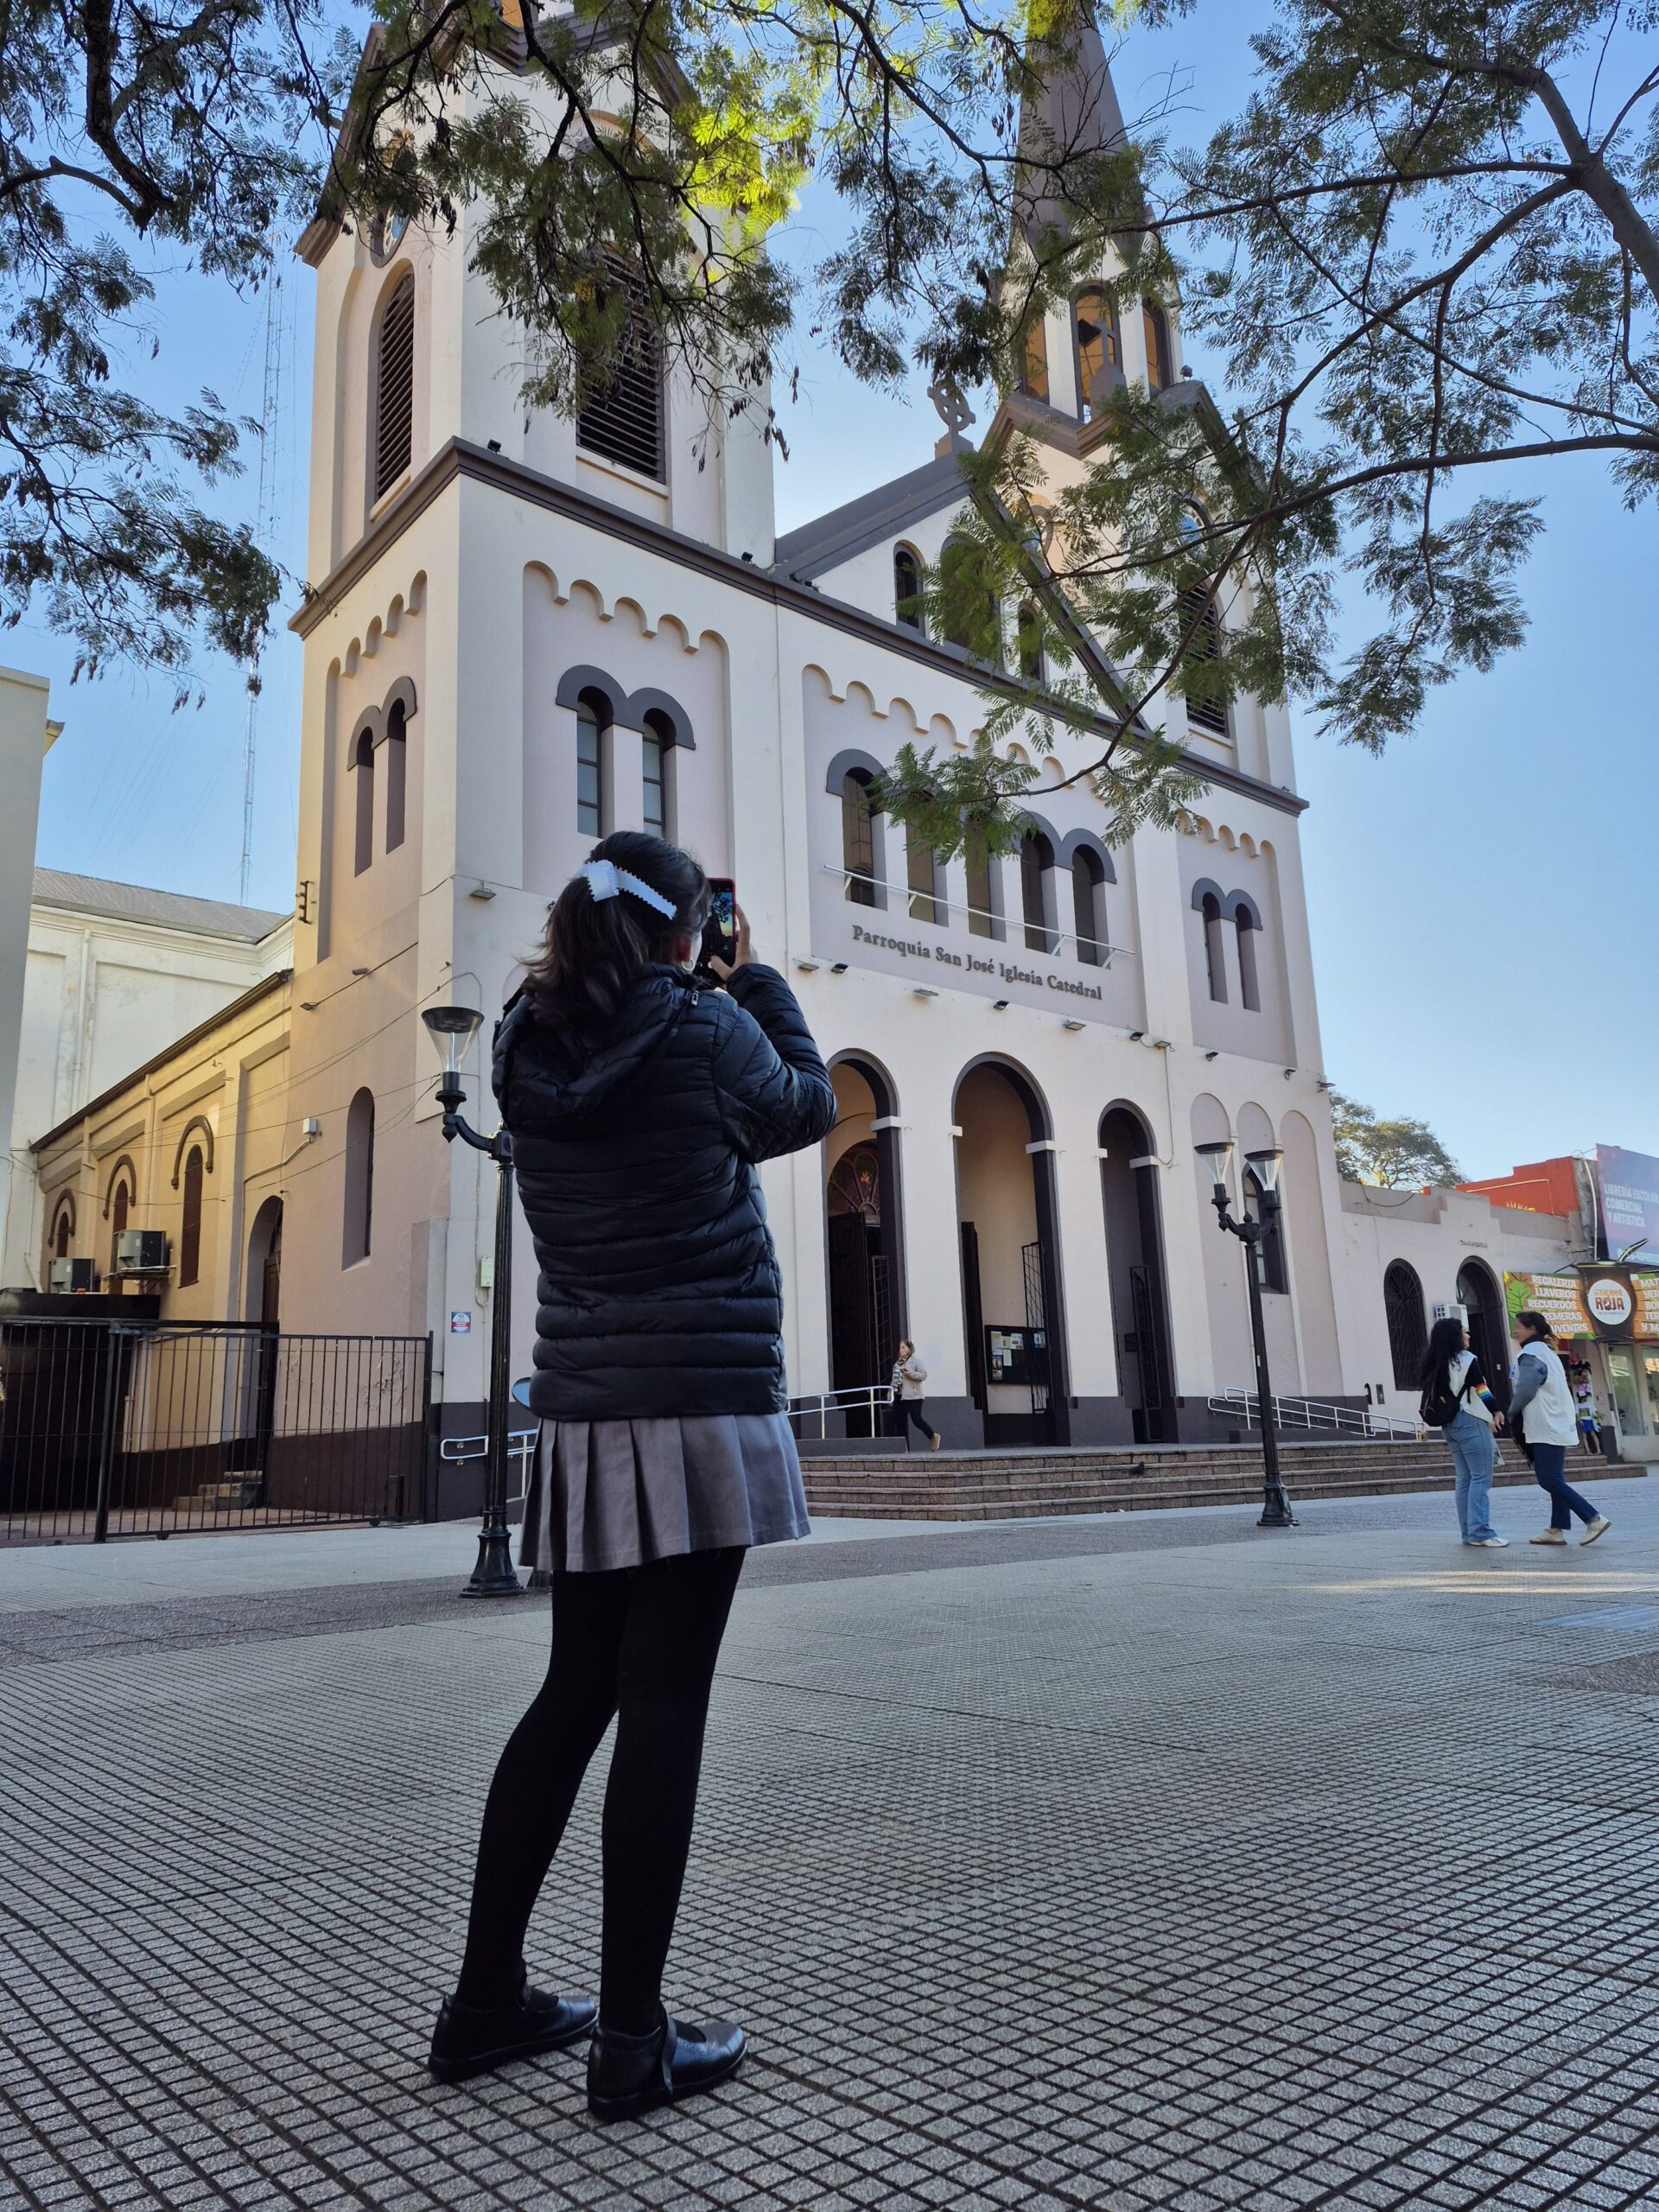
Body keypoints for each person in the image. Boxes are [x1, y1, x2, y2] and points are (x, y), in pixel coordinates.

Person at [429, 832, 835, 2120]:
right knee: (666, 1711)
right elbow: (807, 1108)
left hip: (591, 1420)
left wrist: (694, 965)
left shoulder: (517, 1045)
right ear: (682, 928)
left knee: (574, 1698)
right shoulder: (705, 1031)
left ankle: (485, 2001)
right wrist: (754, 978)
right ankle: (629, 2043)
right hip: (702, 1409)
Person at [1500, 1311, 1610, 1548]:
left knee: (1548, 1479)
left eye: (1518, 1326)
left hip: (1544, 1425)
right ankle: (1556, 1529)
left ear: (1531, 1329)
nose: (1515, 1331)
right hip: (1558, 1423)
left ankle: (1593, 1518)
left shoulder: (1530, 1354)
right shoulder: (1548, 1353)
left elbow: (1527, 1389)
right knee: (1555, 1478)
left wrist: (1511, 1412)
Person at [1417, 1315, 1507, 1548]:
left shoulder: (1436, 1362)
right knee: (1481, 1478)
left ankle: (1468, 1533)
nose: (1468, 1336)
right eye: (1464, 1332)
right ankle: (1481, 1532)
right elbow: (1481, 1388)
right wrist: (1496, 1410)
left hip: (1450, 1426)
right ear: (1455, 1337)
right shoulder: (1466, 1360)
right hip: (1471, 1420)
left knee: (1465, 1479)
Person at [888, 1340, 941, 1451]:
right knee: (900, 1422)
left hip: (914, 1395)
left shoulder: (916, 1361)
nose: (901, 1350)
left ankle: (933, 1436)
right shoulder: (897, 1364)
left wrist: (910, 1374)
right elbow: (894, 1380)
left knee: (917, 1420)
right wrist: (891, 1391)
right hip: (900, 1396)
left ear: (909, 1349)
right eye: (900, 1348)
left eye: (903, 1347)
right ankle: (903, 1448)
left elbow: (923, 1375)